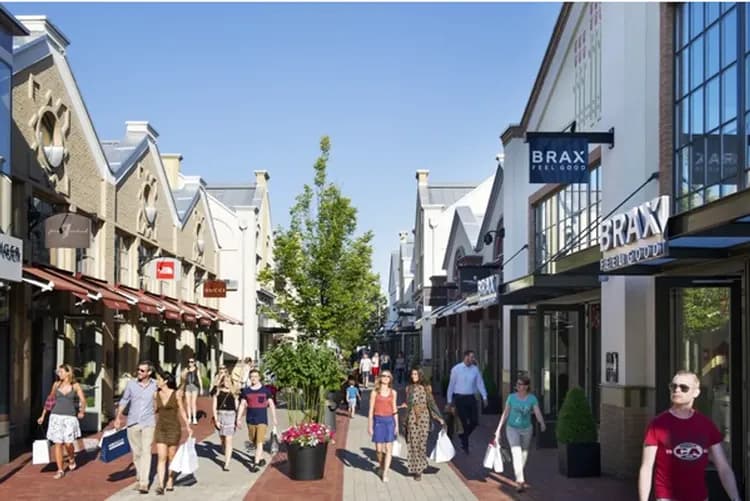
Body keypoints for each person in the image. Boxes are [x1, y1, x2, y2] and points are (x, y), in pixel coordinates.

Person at [638, 370, 741, 501]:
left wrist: (735, 498)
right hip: (667, 497)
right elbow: (646, 467)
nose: (677, 390)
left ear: (696, 393)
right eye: (673, 386)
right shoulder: (657, 424)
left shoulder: (706, 425)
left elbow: (723, 467)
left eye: (684, 387)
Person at [493, 374, 546, 493]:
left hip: (527, 429)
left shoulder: (532, 399)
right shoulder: (511, 397)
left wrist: (542, 422)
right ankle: (520, 480)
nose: (517, 386)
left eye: (520, 384)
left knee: (524, 453)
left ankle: (519, 472)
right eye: (517, 384)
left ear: (526, 387)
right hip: (512, 428)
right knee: (516, 452)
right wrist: (498, 429)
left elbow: (537, 411)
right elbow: (505, 413)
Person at [114, 360, 158, 494]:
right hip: (132, 422)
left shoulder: (155, 385)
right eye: (138, 369)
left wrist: (156, 402)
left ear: (149, 372)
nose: (139, 372)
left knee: (146, 451)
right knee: (136, 453)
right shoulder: (131, 384)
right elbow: (124, 400)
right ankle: (140, 476)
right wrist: (118, 417)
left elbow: (160, 402)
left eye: (142, 370)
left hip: (148, 422)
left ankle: (144, 483)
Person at [36, 364, 86, 479]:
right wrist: (43, 416)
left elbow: (83, 400)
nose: (59, 374)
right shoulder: (56, 384)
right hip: (55, 416)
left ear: (68, 373)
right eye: (58, 372)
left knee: (68, 443)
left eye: (62, 372)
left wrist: (82, 411)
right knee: (58, 443)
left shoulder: (75, 385)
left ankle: (71, 457)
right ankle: (60, 470)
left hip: (70, 417)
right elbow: (50, 400)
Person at [398, 367, 444, 481]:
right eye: (412, 374)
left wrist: (439, 417)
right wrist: (405, 407)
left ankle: (422, 464)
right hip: (412, 417)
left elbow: (431, 403)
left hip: (424, 416)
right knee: (413, 442)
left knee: (422, 444)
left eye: (416, 374)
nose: (413, 376)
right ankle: (417, 470)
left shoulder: (427, 388)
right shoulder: (409, 388)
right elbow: (409, 403)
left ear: (420, 375)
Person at [153, 372, 192, 495]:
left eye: (158, 379)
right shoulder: (155, 394)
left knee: (171, 456)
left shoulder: (176, 394)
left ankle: (170, 479)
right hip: (160, 428)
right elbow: (154, 410)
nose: (156, 382)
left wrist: (188, 425)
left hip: (173, 428)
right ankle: (160, 484)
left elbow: (182, 410)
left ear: (165, 381)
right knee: (161, 457)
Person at [237, 369, 278, 473]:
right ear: (249, 378)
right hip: (250, 420)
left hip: (262, 420)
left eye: (255, 376)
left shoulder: (265, 391)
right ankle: (260, 457)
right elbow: (242, 405)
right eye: (252, 377)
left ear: (259, 378)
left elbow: (271, 404)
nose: (254, 378)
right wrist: (238, 419)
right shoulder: (246, 391)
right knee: (254, 440)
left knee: (260, 441)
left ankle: (255, 464)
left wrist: (274, 418)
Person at [446, 350, 487, 454]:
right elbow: (451, 385)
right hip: (459, 398)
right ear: (466, 357)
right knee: (464, 422)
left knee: (474, 421)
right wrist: (449, 400)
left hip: (471, 398)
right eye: (471, 357)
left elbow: (480, 383)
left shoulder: (475, 369)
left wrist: (484, 396)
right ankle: (465, 446)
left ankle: (463, 436)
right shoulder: (456, 369)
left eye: (473, 357)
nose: (473, 359)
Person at [368, 370, 398, 483]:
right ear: (380, 378)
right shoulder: (374, 392)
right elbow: (371, 410)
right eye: (383, 376)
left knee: (388, 448)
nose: (385, 378)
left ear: (390, 379)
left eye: (388, 376)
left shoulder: (393, 392)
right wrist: (370, 425)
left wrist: (397, 425)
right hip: (378, 421)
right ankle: (381, 466)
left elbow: (394, 409)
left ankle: (385, 472)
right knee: (379, 449)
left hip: (390, 421)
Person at [212, 366, 239, 471]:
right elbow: (214, 406)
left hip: (231, 416)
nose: (227, 382)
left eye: (228, 381)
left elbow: (237, 407)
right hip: (220, 415)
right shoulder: (218, 392)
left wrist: (237, 419)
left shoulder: (234, 392)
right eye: (225, 381)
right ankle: (223, 447)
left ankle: (226, 463)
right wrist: (216, 419)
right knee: (222, 437)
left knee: (229, 439)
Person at [181, 358, 203, 424]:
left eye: (191, 362)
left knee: (193, 403)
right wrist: (185, 372)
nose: (190, 363)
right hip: (187, 386)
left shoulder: (196, 370)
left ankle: (194, 418)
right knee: (188, 403)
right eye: (189, 362)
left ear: (194, 363)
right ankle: (189, 418)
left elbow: (199, 379)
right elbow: (182, 378)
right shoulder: (186, 369)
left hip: (194, 386)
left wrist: (201, 388)